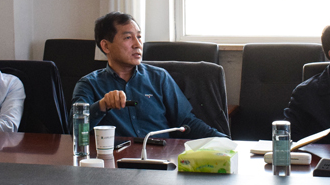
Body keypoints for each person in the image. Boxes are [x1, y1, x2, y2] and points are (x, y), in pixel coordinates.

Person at [71, 12, 225, 139]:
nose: (137, 44)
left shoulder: (159, 78)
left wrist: (224, 141)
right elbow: (74, 130)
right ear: (106, 46)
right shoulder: (89, 84)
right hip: (117, 161)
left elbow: (187, 122)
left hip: (160, 159)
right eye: (128, 37)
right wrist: (102, 105)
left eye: (139, 37)